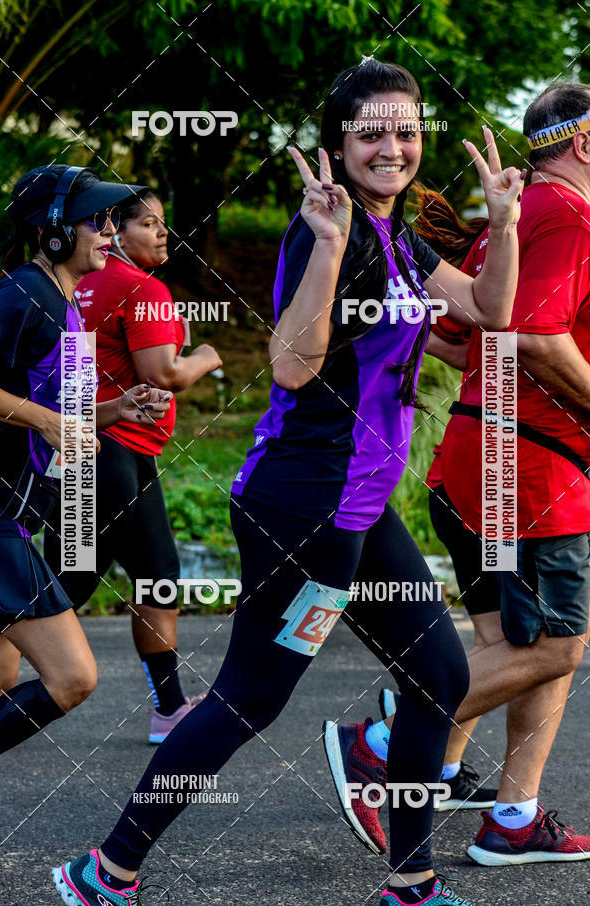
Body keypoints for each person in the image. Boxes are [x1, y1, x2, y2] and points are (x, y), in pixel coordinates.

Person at [52, 58, 523, 906]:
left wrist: (505, 223)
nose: (392, 147)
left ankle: (411, 882)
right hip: (305, 507)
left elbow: (489, 311)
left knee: (439, 678)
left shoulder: (399, 237)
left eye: (406, 131)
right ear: (338, 143)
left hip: (360, 505)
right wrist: (331, 246)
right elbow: (292, 366)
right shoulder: (326, 230)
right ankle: (107, 869)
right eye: (371, 133)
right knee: (249, 698)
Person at [334, 80, 590, 870]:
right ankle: (384, 740)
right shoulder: (570, 216)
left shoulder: (519, 217)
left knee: (515, 642)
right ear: (584, 144)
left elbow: (453, 335)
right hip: (529, 469)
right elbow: (537, 337)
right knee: (557, 646)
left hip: (483, 457)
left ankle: (511, 815)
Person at [0, 164, 171, 762]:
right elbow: (44, 416)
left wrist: (117, 408)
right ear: (54, 232)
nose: (109, 231)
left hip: (17, 513)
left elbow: (58, 409)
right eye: (96, 221)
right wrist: (46, 421)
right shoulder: (25, 293)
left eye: (111, 220)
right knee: (72, 676)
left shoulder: (64, 301)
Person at [43, 190, 222, 744]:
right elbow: (163, 375)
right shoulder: (144, 288)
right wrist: (206, 356)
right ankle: (168, 710)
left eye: (162, 223)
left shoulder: (74, 284)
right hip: (115, 452)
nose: (162, 232)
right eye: (148, 223)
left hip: (79, 449)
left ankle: (168, 708)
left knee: (86, 581)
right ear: (114, 233)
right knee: (125, 581)